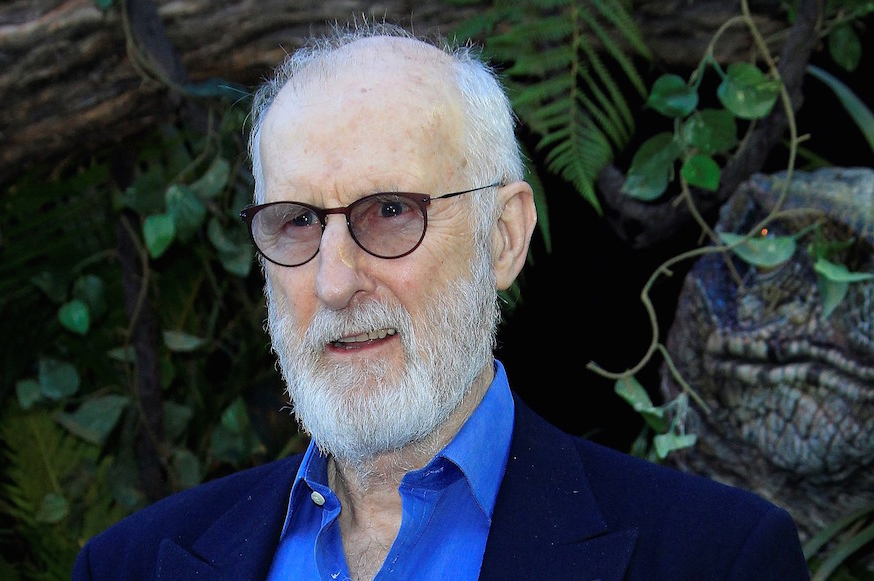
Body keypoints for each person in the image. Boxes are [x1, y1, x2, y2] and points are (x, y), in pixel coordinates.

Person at [72, 22, 809, 580]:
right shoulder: (128, 566)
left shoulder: (715, 558)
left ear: (505, 237)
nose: (335, 282)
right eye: (297, 221)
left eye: (391, 211)